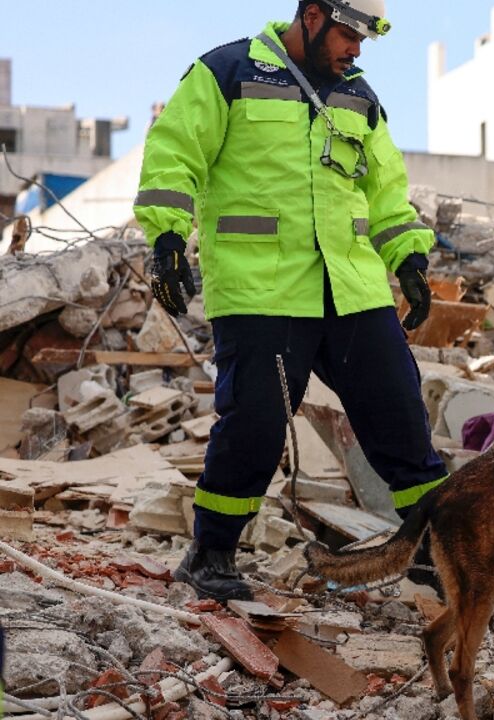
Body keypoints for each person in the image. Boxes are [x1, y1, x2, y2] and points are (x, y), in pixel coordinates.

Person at [134, 0, 448, 603]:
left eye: (363, 39)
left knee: (401, 419)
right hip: (263, 288)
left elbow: (384, 190)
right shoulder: (227, 72)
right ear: (310, 15)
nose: (355, 49)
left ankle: (435, 550)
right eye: (347, 34)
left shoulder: (359, 96)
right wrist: (168, 236)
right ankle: (211, 554)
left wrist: (408, 256)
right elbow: (174, 154)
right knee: (253, 424)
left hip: (352, 289)